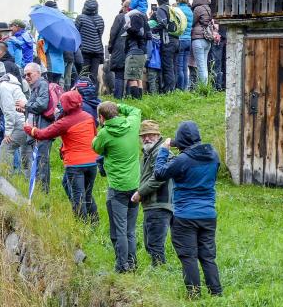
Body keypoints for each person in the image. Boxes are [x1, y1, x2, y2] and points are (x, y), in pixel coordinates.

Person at [153, 121, 222, 296]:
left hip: (185, 215)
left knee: (188, 256)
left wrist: (164, 150)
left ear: (181, 140)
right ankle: (216, 293)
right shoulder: (213, 155)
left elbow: (159, 173)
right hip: (208, 213)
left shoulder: (183, 160)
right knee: (208, 256)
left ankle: (194, 294)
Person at [25, 90, 99, 222]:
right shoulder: (88, 117)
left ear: (66, 105)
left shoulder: (65, 122)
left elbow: (42, 135)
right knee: (84, 192)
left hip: (75, 165)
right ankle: (94, 223)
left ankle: (82, 226)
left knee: (79, 197)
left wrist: (29, 129)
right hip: (92, 162)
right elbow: (93, 136)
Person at [92, 101, 142, 273]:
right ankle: (133, 263)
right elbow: (136, 109)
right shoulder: (132, 123)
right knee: (130, 229)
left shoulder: (105, 133)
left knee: (119, 230)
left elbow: (95, 147)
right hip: (135, 187)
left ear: (101, 117)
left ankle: (122, 265)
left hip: (117, 189)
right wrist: (117, 106)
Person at [131, 120, 173, 266]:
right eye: (143, 136)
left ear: (158, 135)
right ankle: (157, 272)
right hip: (151, 205)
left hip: (159, 203)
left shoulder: (162, 152)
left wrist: (140, 193)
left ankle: (159, 275)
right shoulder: (148, 153)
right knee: (150, 245)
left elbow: (158, 178)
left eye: (150, 135)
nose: (146, 138)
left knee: (155, 246)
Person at [17, 63, 52, 193]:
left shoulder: (42, 84)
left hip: (42, 129)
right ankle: (39, 190)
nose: (26, 77)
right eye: (25, 74)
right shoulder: (36, 86)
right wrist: (24, 110)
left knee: (42, 161)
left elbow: (42, 105)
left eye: (29, 74)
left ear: (38, 73)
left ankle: (43, 192)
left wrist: (26, 105)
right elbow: (35, 108)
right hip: (37, 128)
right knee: (38, 160)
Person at [151, 0, 179, 94]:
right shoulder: (172, 8)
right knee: (174, 66)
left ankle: (169, 91)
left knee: (167, 68)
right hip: (176, 40)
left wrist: (152, 30)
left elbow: (163, 23)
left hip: (167, 41)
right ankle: (174, 89)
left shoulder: (161, 9)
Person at [124, 0, 150, 100]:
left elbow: (136, 31)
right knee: (138, 78)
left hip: (134, 51)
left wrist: (127, 28)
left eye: (124, 7)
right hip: (142, 51)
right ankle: (139, 100)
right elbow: (148, 35)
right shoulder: (144, 16)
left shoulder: (134, 16)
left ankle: (135, 100)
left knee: (132, 78)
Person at [75, 0, 105, 84]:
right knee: (93, 75)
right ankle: (93, 93)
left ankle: (83, 93)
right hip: (97, 52)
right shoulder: (100, 19)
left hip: (84, 51)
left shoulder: (80, 18)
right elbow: (100, 34)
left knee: (83, 74)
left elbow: (75, 33)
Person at [107, 0, 130, 99]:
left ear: (126, 7)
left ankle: (118, 98)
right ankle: (130, 97)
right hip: (132, 50)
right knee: (131, 75)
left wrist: (110, 48)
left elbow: (113, 33)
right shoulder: (138, 16)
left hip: (119, 49)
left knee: (119, 75)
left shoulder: (120, 17)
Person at [191, 0, 214, 87]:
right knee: (204, 65)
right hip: (207, 40)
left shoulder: (198, 9)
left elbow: (192, 22)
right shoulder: (207, 8)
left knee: (200, 66)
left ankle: (203, 89)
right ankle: (206, 87)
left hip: (198, 39)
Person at [174, 0, 193, 90]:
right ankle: (185, 88)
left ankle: (180, 88)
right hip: (188, 40)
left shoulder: (178, 10)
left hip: (180, 39)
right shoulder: (190, 10)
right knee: (185, 66)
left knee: (179, 67)